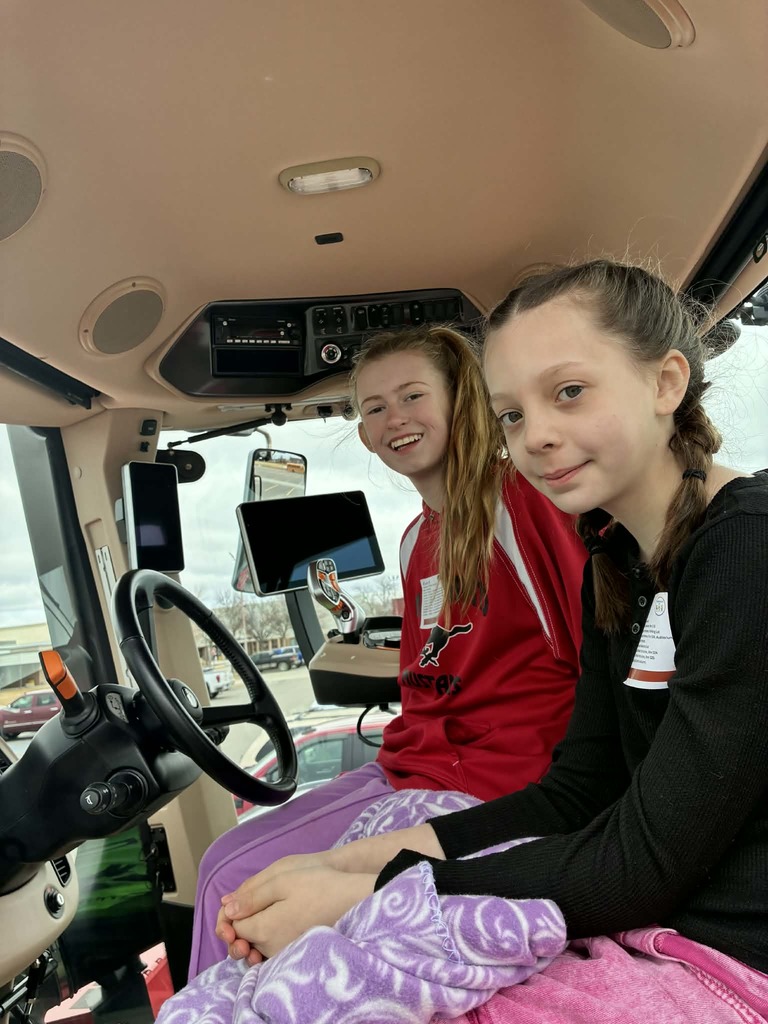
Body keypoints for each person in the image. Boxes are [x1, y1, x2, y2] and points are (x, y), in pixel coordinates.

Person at [216, 261, 768, 1019]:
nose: (535, 436)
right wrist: (351, 862)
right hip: (651, 923)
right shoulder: (617, 564)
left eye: (568, 392)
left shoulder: (745, 548)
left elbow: (646, 861)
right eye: (510, 414)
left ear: (666, 382)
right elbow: (578, 792)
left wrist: (371, 891)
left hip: (728, 957)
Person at [189, 323, 586, 976]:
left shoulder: (523, 502)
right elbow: (430, 673)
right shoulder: (413, 541)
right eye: (374, 408)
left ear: (459, 400)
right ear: (365, 435)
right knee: (224, 863)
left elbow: (594, 657)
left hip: (490, 780)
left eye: (412, 396)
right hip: (412, 764)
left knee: (228, 878)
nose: (394, 418)